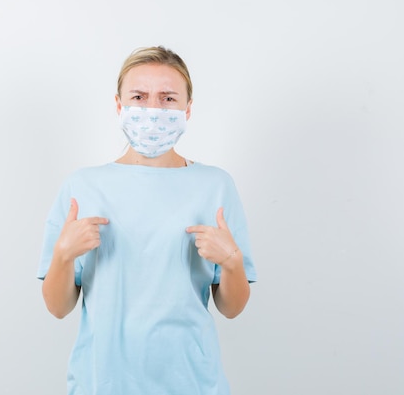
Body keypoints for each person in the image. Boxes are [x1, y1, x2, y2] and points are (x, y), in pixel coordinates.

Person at [37, 46, 257, 394]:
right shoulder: (83, 187)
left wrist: (231, 262)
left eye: (168, 98)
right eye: (139, 96)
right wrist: (63, 256)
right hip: (104, 382)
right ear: (119, 105)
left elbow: (231, 307)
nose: (152, 109)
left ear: (188, 108)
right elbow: (57, 307)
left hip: (192, 381)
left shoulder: (215, 186)